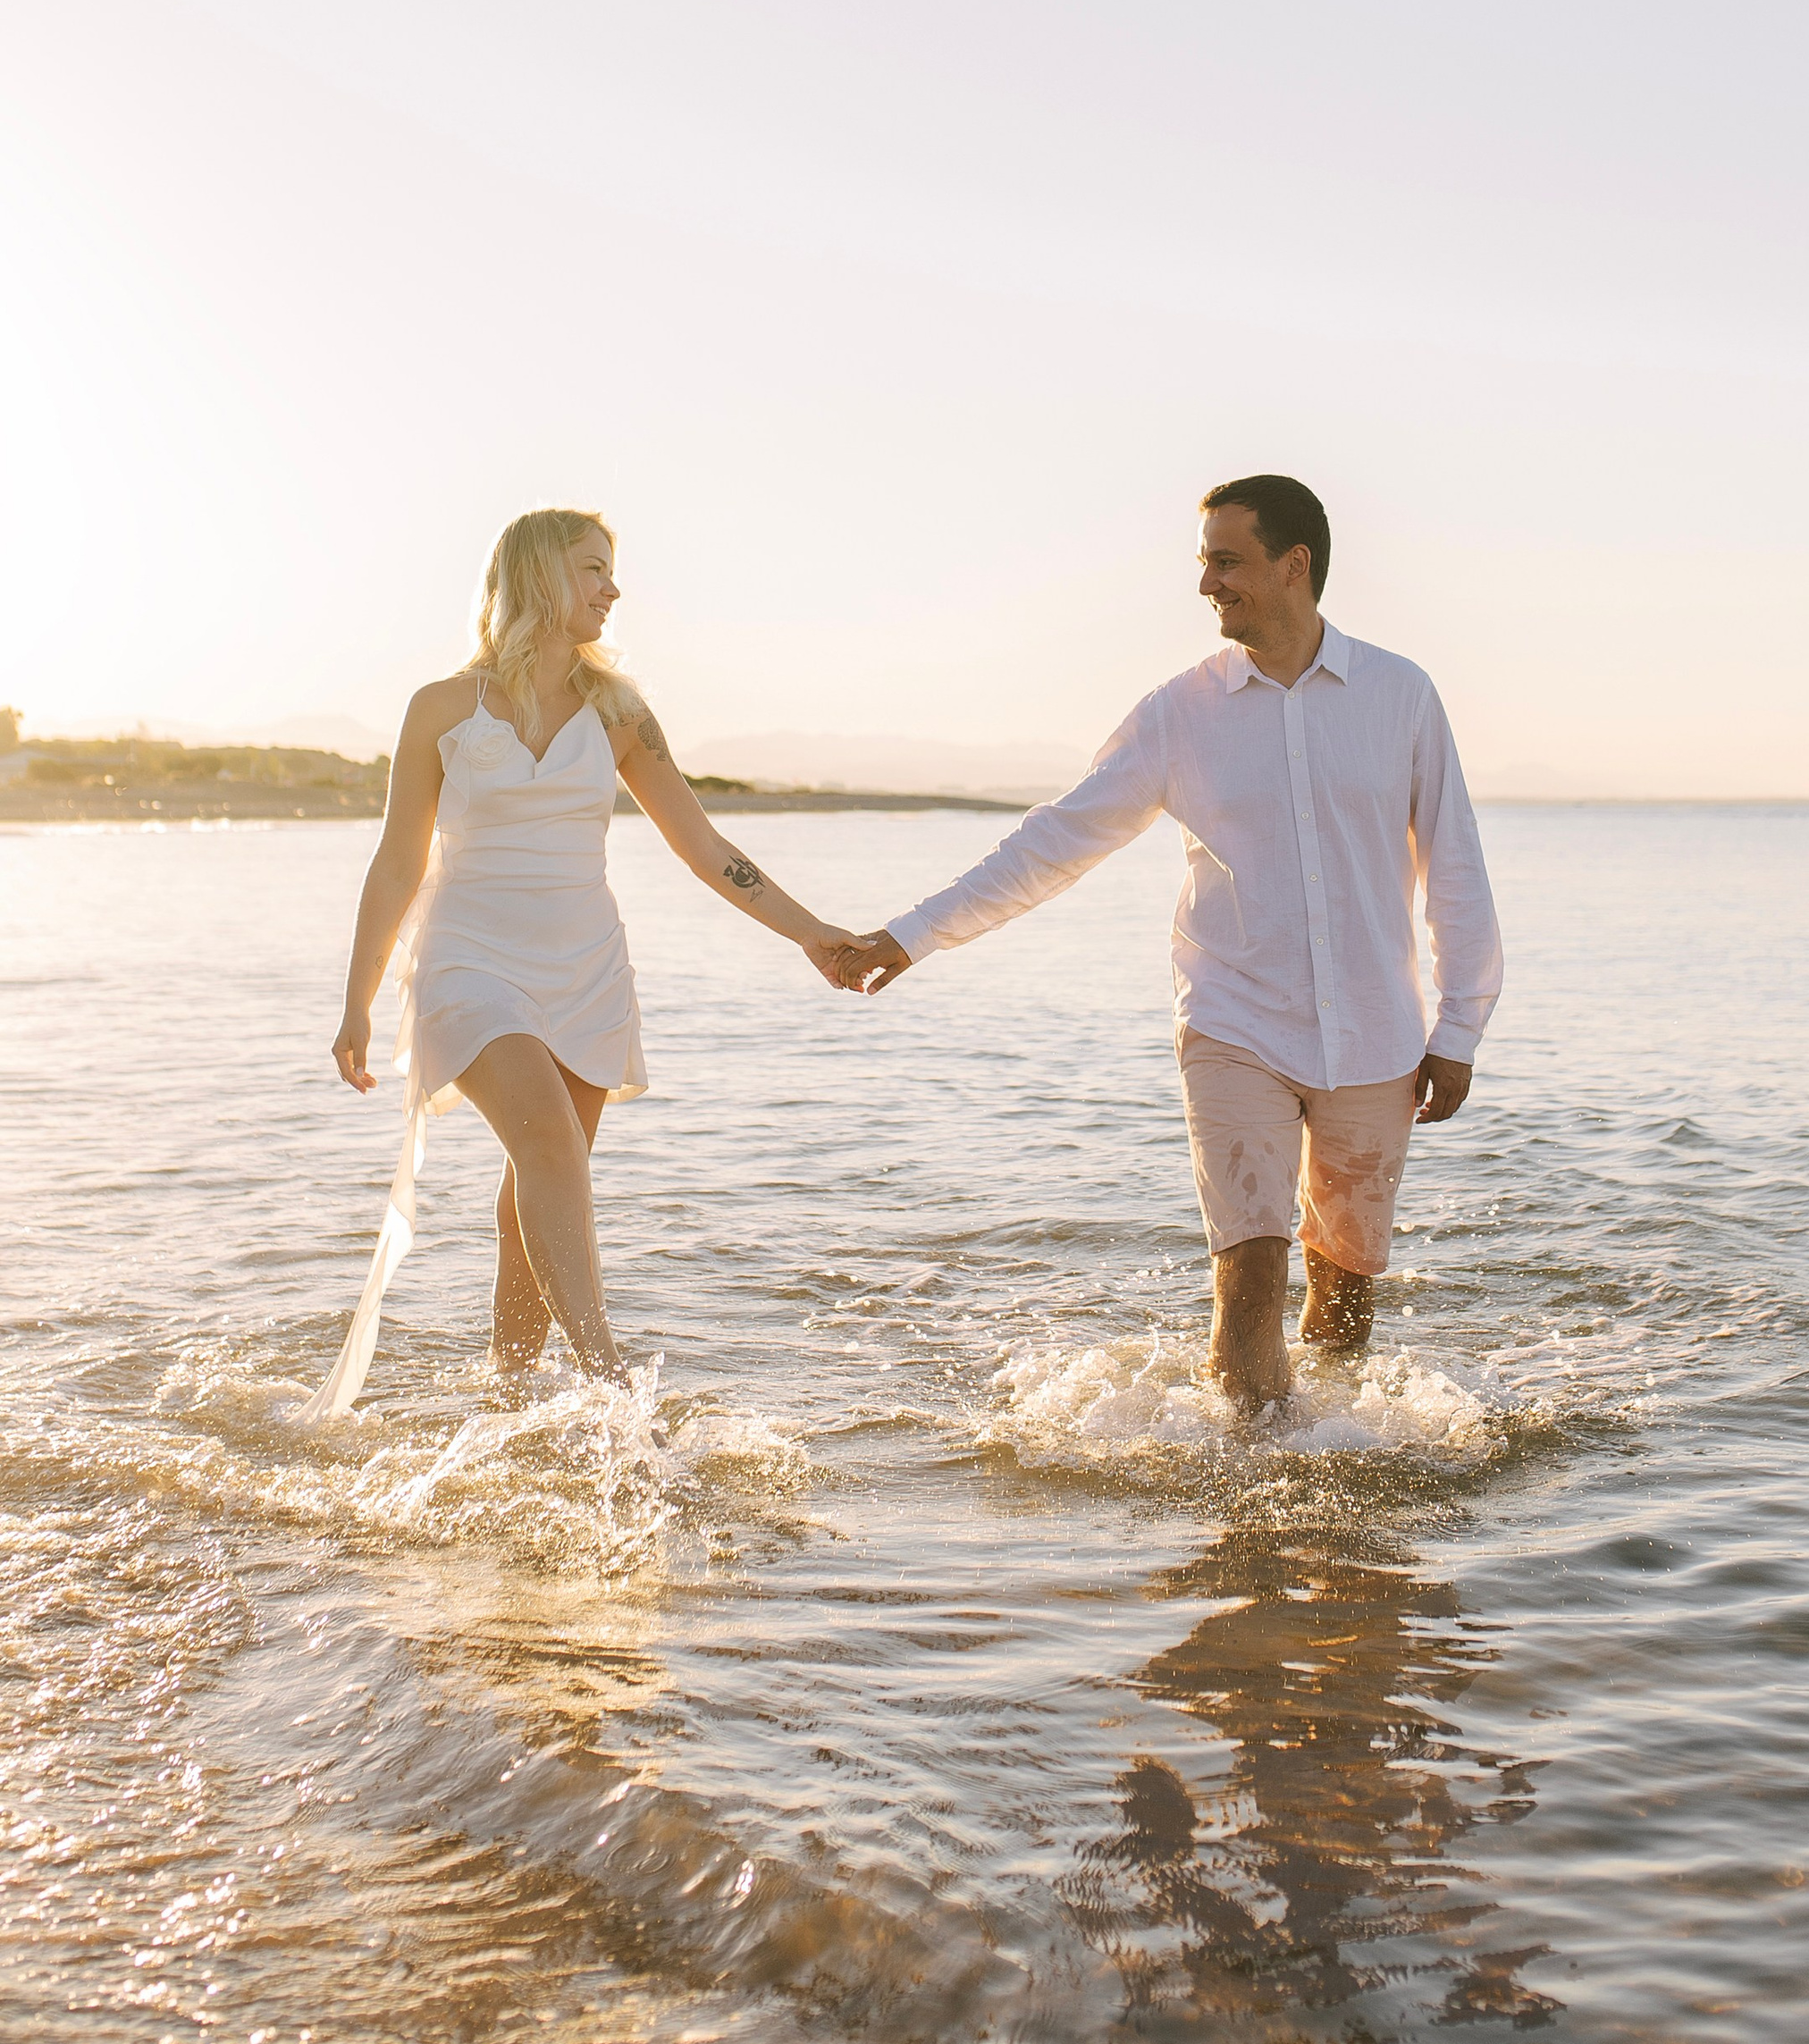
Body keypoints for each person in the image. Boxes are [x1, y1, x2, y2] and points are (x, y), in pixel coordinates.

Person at [828, 476, 1502, 1408]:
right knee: (1252, 1269)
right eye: (1205, 563)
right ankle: (1249, 1496)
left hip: (1377, 1038)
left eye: (1226, 562)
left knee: (1345, 1296)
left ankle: (1336, 1492)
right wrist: (910, 936)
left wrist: (1458, 1029)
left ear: (1292, 565)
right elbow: (1055, 842)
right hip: (1235, 1024)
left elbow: (1455, 871)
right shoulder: (1178, 713)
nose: (1206, 586)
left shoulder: (1400, 696)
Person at [307, 508, 853, 1421]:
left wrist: (810, 932)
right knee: (551, 1146)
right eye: (593, 569)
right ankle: (611, 1386)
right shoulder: (441, 708)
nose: (613, 587)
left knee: (542, 1176)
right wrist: (357, 1002)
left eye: (611, 570)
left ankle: (512, 1397)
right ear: (536, 579)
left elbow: (700, 843)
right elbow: (398, 861)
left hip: (586, 969)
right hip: (469, 962)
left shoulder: (621, 712)